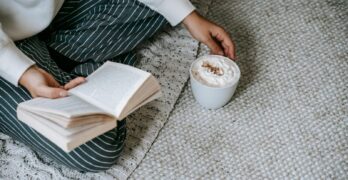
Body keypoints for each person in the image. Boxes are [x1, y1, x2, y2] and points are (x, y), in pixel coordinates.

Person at [0, 0, 235, 172]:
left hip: (56, 11)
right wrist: (24, 72)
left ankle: (61, 57)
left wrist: (189, 17)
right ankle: (73, 59)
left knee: (172, 5)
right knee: (96, 147)